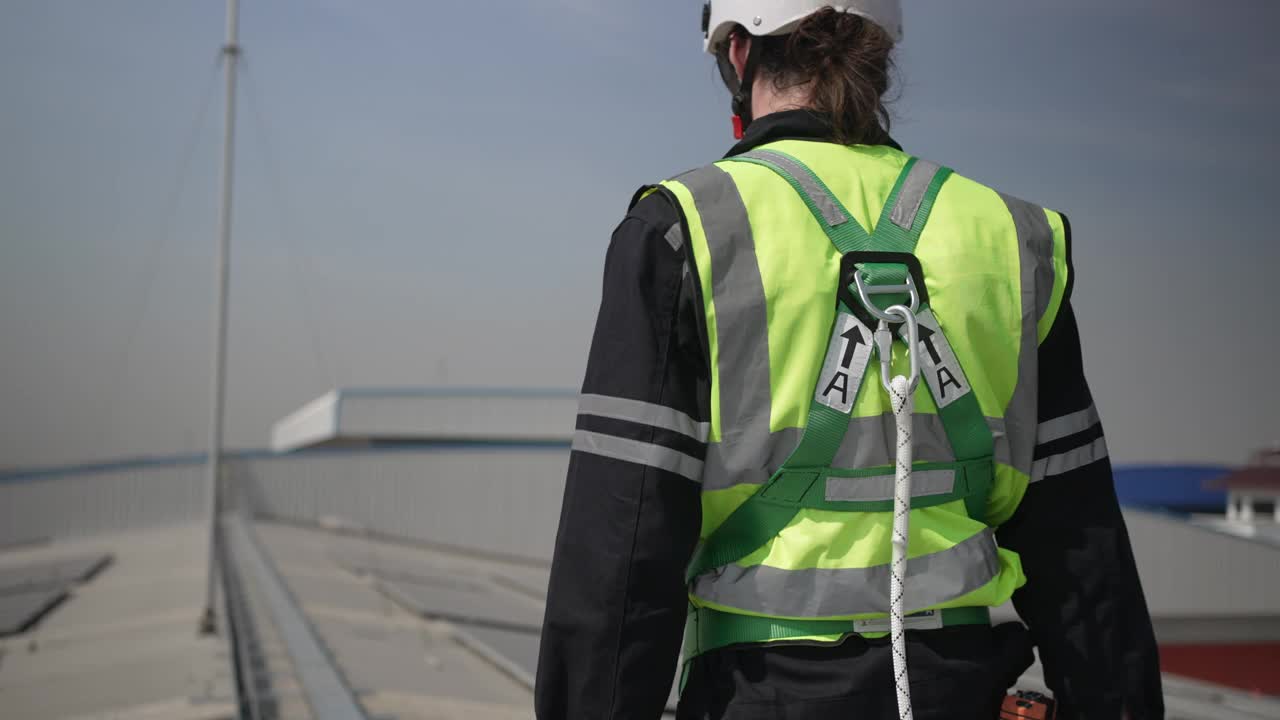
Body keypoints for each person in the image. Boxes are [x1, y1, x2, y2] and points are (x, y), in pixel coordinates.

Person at [535, 2, 1164, 718]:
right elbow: (1083, 556)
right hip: (960, 690)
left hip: (759, 692)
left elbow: (620, 553)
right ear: (879, 45)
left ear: (737, 54)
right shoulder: (1012, 238)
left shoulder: (685, 231)